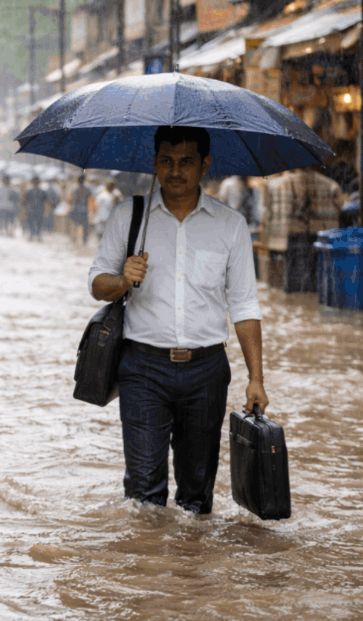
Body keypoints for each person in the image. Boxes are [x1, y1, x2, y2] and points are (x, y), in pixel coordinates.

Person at [89, 126, 266, 515]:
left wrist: (256, 379)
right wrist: (121, 279)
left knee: (196, 500)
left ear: (204, 165)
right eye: (166, 161)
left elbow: (244, 306)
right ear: (154, 163)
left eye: (186, 161)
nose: (175, 171)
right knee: (143, 496)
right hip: (142, 369)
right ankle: (150, 570)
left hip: (207, 372)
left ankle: (188, 572)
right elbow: (96, 284)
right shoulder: (128, 216)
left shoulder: (230, 225)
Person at [261, 166, 342, 292]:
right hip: (319, 236)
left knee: (286, 281)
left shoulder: (273, 185)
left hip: (284, 236)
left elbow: (265, 215)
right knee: (313, 279)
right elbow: (339, 209)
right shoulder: (330, 184)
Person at [68, 174, 93, 245]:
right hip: (84, 208)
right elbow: (90, 199)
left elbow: (70, 199)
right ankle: (84, 241)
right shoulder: (88, 189)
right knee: (85, 226)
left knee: (74, 225)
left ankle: (74, 240)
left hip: (76, 207)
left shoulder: (74, 188)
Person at [23, 176, 49, 241]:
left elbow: (25, 201)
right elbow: (46, 201)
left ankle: (31, 235)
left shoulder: (29, 191)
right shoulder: (43, 191)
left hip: (31, 209)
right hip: (40, 209)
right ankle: (38, 236)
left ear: (32, 183)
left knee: (31, 222)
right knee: (39, 223)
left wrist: (24, 209)